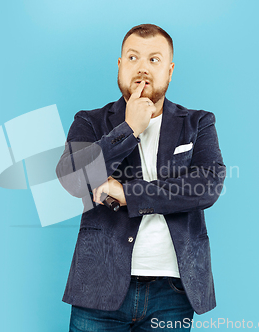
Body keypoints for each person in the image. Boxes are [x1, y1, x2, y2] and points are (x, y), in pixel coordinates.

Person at [56, 24, 226, 331]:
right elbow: (72, 178)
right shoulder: (90, 121)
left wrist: (127, 193)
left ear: (170, 70)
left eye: (154, 59)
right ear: (120, 67)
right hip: (98, 287)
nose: (142, 69)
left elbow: (207, 185)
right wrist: (129, 130)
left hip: (172, 293)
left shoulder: (198, 122)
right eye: (133, 58)